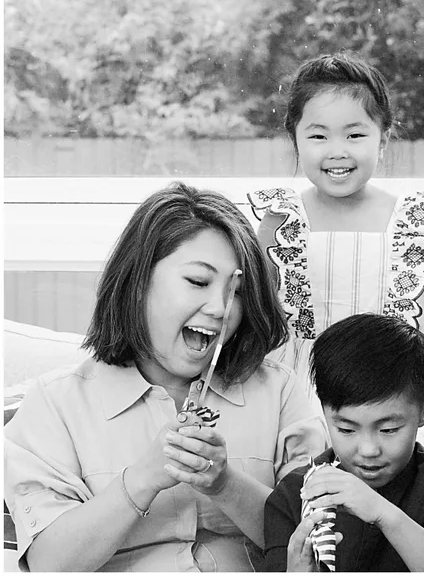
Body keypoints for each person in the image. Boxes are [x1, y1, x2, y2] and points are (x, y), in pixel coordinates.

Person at [4, 182, 327, 571]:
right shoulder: (54, 404)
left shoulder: (280, 392)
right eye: (198, 282)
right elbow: (49, 564)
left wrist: (225, 485)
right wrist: (142, 480)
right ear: (137, 282)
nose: (222, 308)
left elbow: (317, 544)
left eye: (237, 292)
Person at [248, 52, 424, 464]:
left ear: (383, 136)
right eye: (319, 136)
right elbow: (249, 296)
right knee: (302, 459)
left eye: (354, 136)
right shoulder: (281, 217)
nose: (337, 151)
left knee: (415, 453)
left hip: (391, 371)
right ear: (295, 139)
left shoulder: (405, 218)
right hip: (306, 375)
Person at [263, 313, 424, 571]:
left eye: (389, 429)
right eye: (346, 429)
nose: (369, 450)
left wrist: (382, 513)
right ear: (324, 412)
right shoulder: (294, 493)